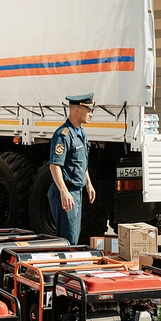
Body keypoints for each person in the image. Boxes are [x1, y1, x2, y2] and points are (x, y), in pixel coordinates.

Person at [48, 93, 97, 245]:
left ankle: (67, 266)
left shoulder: (80, 133)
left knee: (73, 237)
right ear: (76, 111)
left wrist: (88, 183)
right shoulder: (63, 135)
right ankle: (64, 268)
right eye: (88, 110)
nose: (91, 114)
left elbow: (81, 162)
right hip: (67, 192)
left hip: (76, 191)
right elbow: (54, 165)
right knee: (68, 239)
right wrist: (64, 192)